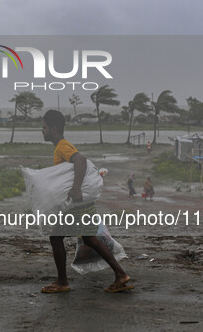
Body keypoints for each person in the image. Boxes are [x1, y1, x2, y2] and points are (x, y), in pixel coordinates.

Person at [40, 110, 132, 294]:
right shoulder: (61, 146)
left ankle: (62, 282)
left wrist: (76, 188)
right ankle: (121, 275)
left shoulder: (62, 146)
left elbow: (80, 160)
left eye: (44, 127)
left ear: (54, 128)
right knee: (89, 238)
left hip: (77, 204)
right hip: (80, 205)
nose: (42, 131)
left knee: (56, 237)